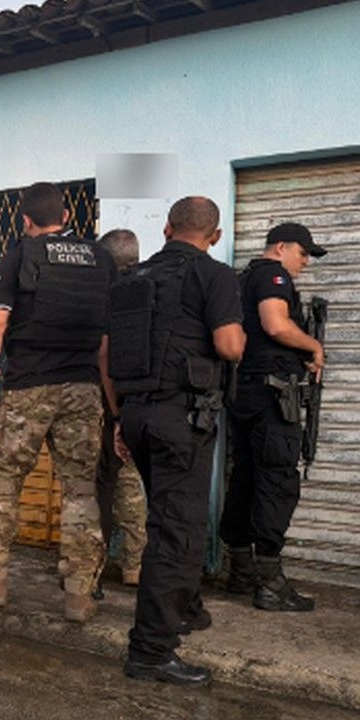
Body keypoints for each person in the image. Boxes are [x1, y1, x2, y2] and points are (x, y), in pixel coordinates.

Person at [105, 196, 244, 684]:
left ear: (167, 229)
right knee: (178, 533)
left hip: (137, 414)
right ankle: (151, 651)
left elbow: (107, 354)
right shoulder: (215, 275)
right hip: (181, 419)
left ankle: (185, 609)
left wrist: (120, 417)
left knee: (168, 519)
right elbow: (229, 345)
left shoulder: (132, 279)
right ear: (215, 236)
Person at [0, 181, 118, 622]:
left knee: (5, 480)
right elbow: (106, 341)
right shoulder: (101, 259)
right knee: (80, 487)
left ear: (26, 220)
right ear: (66, 217)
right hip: (83, 387)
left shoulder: (21, 254)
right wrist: (113, 403)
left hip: (28, 385)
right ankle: (79, 594)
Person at [219, 222, 327, 612]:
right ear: (280, 247)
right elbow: (275, 324)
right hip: (272, 395)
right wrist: (313, 346)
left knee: (245, 477)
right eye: (303, 253)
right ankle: (269, 582)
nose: (305, 262)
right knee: (277, 480)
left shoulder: (244, 278)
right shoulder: (272, 275)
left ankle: (240, 571)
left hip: (246, 391)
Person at [95, 229, 147, 589]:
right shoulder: (148, 289)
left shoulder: (100, 293)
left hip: (100, 401)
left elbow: (102, 352)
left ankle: (91, 569)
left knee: (95, 486)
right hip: (139, 400)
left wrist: (113, 413)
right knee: (129, 482)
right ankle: (134, 565)